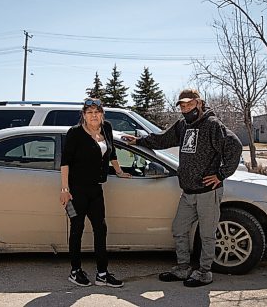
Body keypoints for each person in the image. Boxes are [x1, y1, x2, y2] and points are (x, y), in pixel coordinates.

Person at [124, 88, 242, 287]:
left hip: (207, 193)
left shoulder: (212, 125)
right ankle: (183, 268)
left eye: (189, 104)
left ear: (199, 103)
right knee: (179, 229)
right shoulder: (183, 125)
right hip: (188, 193)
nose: (186, 108)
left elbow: (234, 145)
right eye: (182, 105)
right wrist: (140, 141)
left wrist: (221, 174)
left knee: (207, 234)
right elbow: (163, 139)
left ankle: (205, 272)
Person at [60, 98, 131, 288]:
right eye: (90, 112)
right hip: (76, 191)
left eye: (97, 112)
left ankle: (102, 273)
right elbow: (65, 162)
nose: (94, 115)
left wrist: (119, 171)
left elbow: (112, 152)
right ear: (83, 115)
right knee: (77, 229)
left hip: (96, 189)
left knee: (101, 229)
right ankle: (75, 271)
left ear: (102, 114)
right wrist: (65, 190)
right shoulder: (74, 133)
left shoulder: (106, 128)